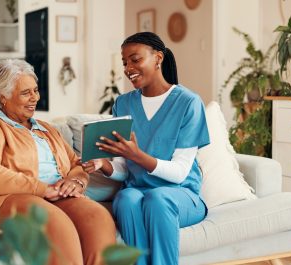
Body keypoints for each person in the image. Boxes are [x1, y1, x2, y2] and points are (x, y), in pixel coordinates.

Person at [0, 59, 116, 265]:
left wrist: (76, 182)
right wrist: (41, 189)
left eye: (35, 90)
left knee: (97, 217)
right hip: (12, 198)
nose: (34, 98)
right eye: (26, 93)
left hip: (58, 195)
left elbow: (75, 164)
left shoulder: (46, 129)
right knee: (54, 222)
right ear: (3, 97)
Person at [81, 32, 210, 265]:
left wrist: (137, 155)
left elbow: (180, 172)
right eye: (124, 62)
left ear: (158, 58)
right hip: (139, 191)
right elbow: (124, 166)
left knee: (158, 199)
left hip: (180, 195)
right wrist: (105, 165)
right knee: (126, 198)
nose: (128, 68)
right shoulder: (123, 103)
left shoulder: (189, 103)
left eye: (135, 59)